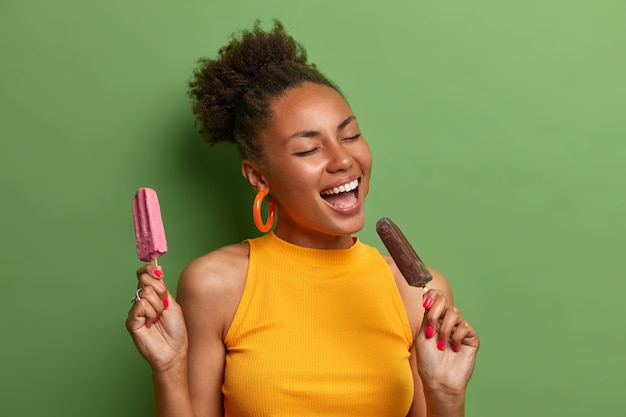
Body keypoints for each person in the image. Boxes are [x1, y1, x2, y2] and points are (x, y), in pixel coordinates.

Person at [126, 20, 479, 417]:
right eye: (309, 149)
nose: (343, 160)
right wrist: (168, 368)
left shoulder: (417, 293)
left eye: (349, 136)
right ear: (258, 176)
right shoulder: (214, 285)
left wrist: (447, 397)